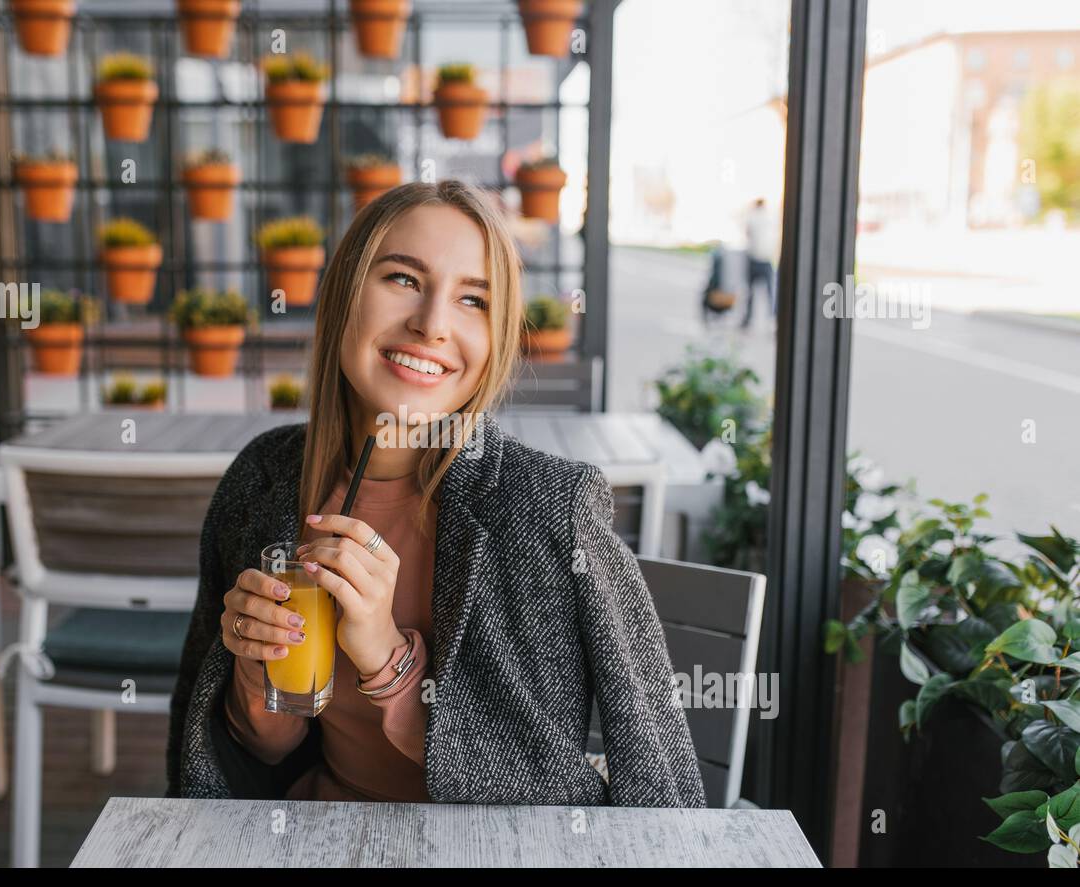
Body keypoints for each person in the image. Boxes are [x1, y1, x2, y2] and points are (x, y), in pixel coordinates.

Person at [167, 179, 706, 808]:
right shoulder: (264, 479)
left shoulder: (548, 511)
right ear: (344, 293)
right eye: (402, 279)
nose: (431, 326)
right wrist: (258, 677)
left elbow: (647, 786)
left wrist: (386, 660)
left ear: (498, 337)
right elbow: (225, 762)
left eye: (473, 300)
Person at [742, 197, 778, 329]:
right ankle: (772, 319)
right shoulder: (770, 217)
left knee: (750, 292)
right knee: (769, 292)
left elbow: (747, 233)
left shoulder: (752, 216)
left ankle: (747, 320)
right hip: (766, 258)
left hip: (754, 258)